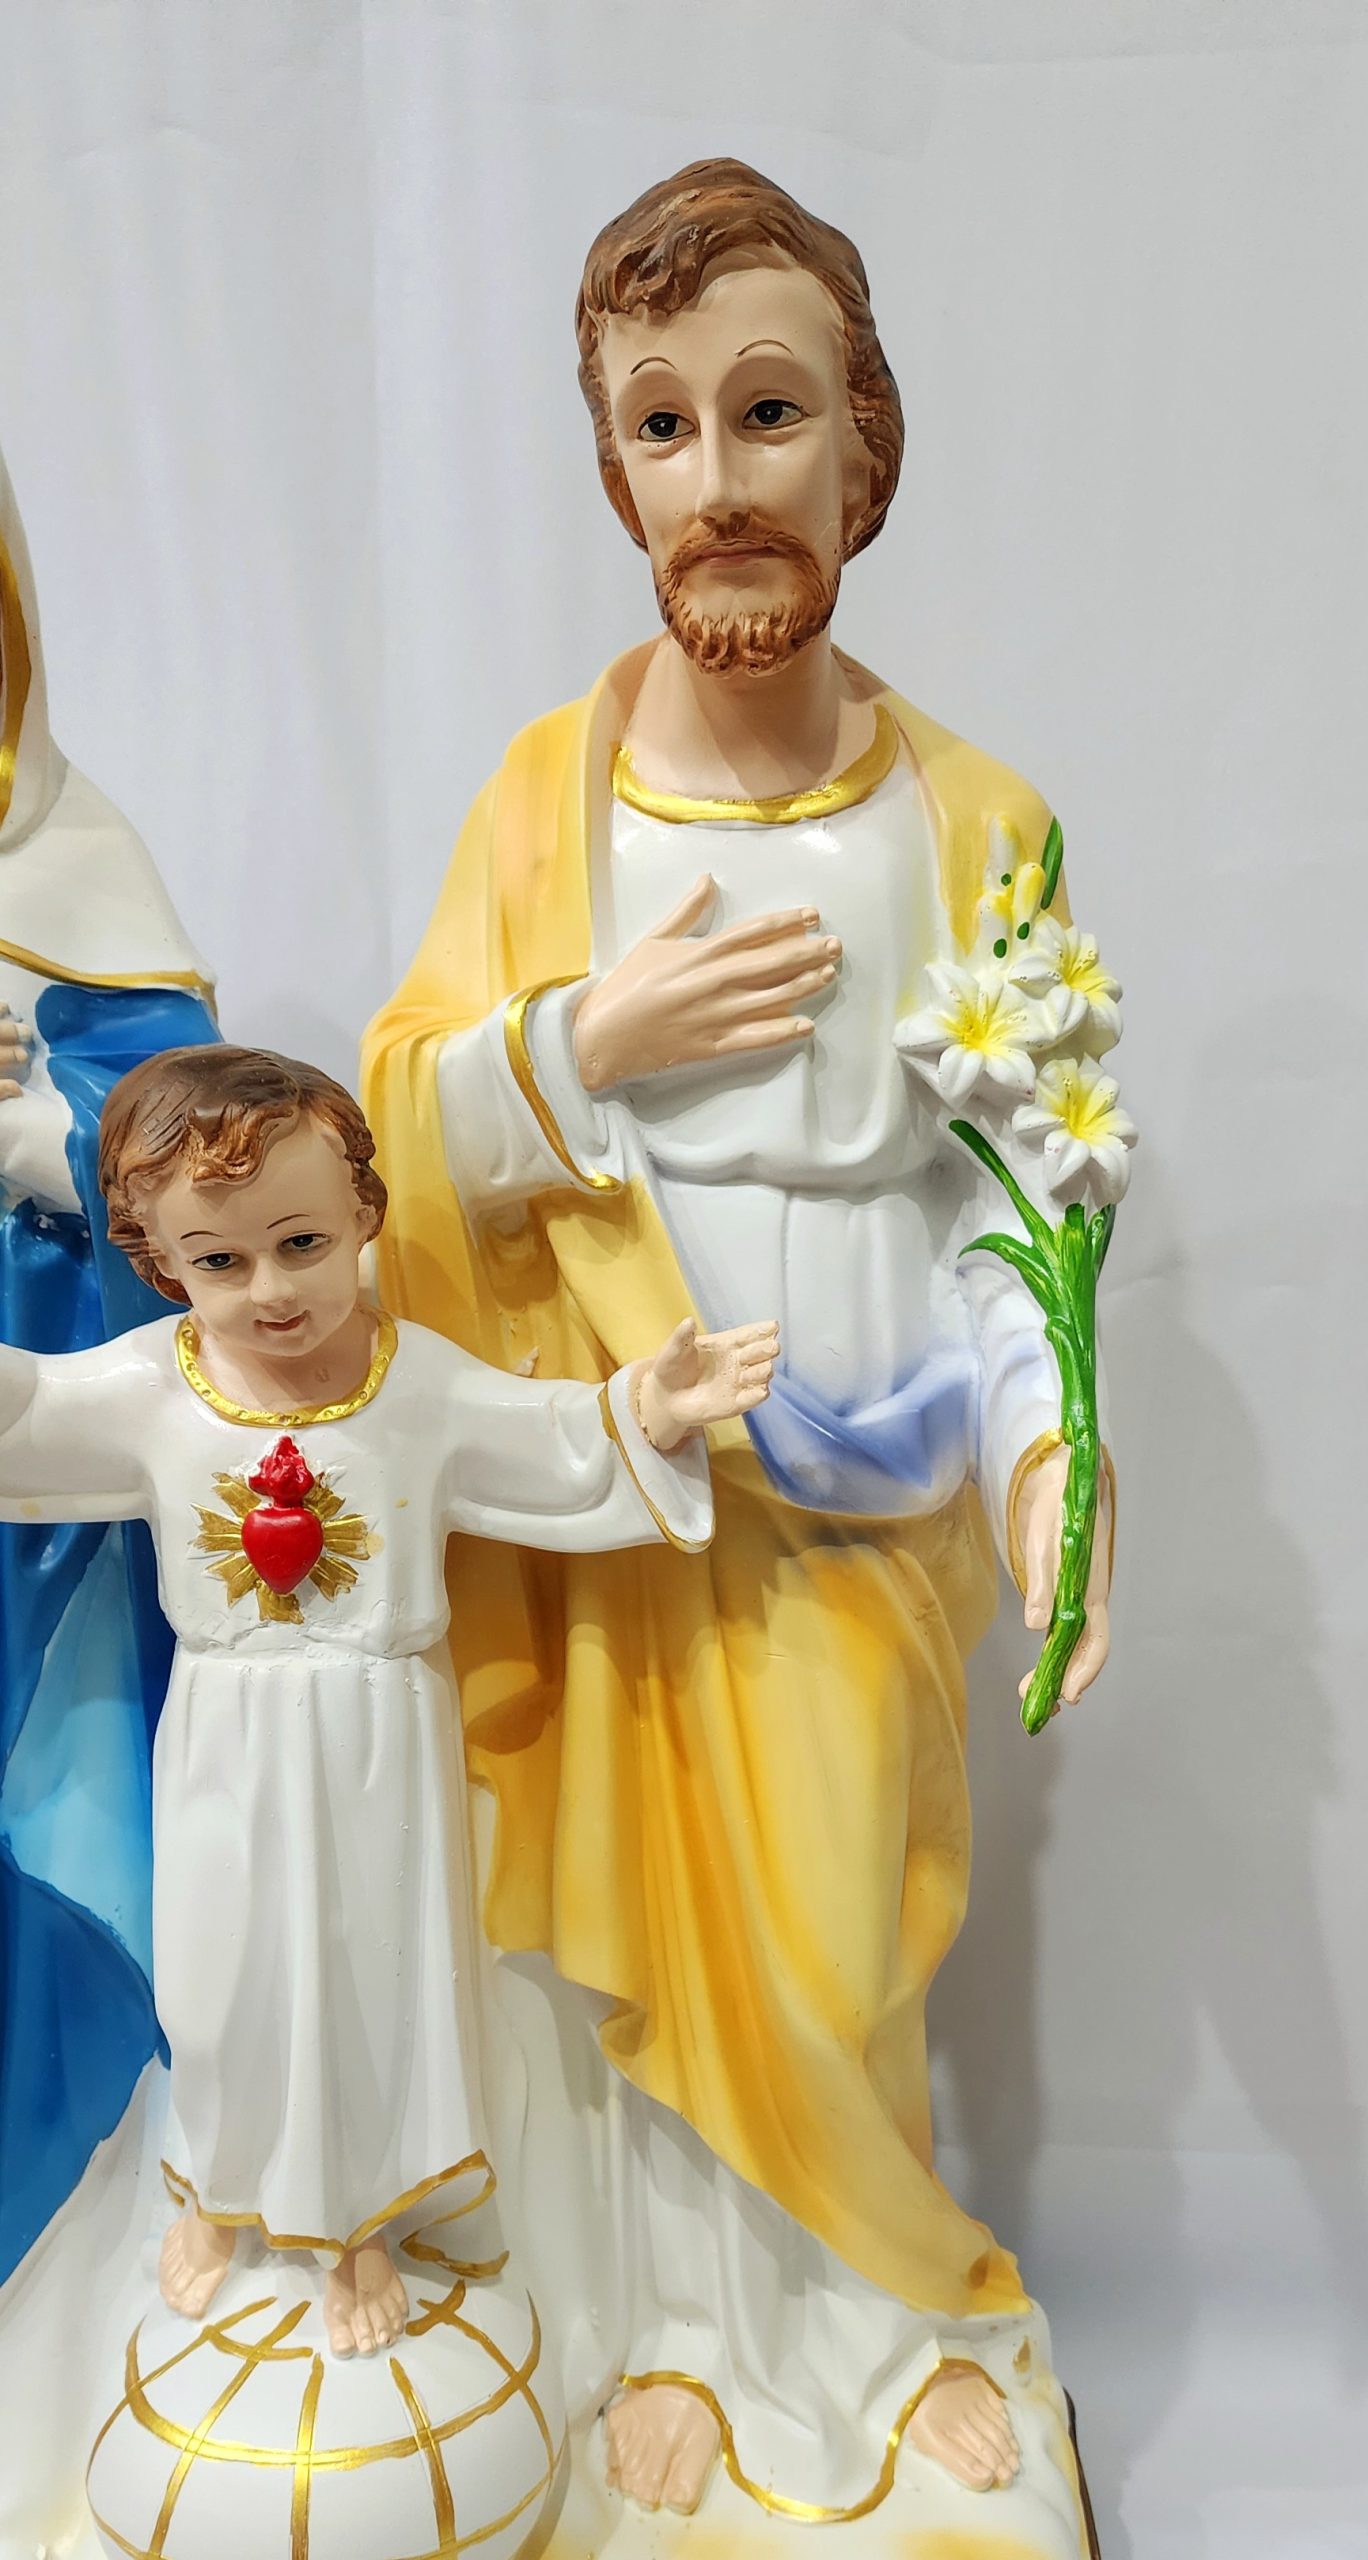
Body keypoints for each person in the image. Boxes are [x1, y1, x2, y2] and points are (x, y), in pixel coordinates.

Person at [363, 161, 1116, 2542]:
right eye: (661, 423)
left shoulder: (973, 818)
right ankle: (686, 2327)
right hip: (636, 1475)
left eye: (769, 412)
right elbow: (395, 1127)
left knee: (838, 1932)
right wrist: (579, 1040)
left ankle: (895, 2323)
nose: (719, 479)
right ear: (613, 465)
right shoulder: (553, 798)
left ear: (863, 441)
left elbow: (1024, 1200)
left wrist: (1049, 1453)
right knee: (654, 1937)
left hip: (871, 1489)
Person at [0, 1042, 777, 2358]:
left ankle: (355, 2221)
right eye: (220, 1262)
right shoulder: (153, 1386)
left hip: (377, 1735)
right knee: (222, 1975)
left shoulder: (413, 1383)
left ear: (364, 1211)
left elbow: (550, 1440)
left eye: (301, 1242)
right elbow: (27, 1412)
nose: (270, 1290)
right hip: (226, 1735)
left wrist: (645, 1408)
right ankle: (219, 2184)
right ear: (161, 1263)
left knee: (367, 1976)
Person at [0, 440, 218, 2297]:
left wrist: (33, 1139)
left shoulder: (79, 867)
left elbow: (193, 1166)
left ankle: (56, 2255)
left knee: (52, 1819)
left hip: (35, 1472)